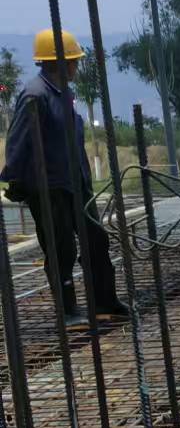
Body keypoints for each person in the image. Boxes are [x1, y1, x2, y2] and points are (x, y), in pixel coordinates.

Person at [2, 29, 126, 325]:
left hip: (75, 182)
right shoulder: (35, 95)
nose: (77, 66)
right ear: (59, 62)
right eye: (74, 61)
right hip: (50, 186)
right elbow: (18, 139)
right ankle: (68, 311)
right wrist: (15, 179)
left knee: (96, 239)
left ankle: (104, 301)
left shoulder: (63, 93)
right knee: (61, 249)